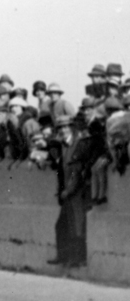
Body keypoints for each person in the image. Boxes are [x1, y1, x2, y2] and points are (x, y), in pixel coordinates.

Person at [48, 115, 93, 268]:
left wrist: (69, 190)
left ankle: (77, 259)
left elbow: (77, 170)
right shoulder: (63, 145)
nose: (63, 130)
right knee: (64, 225)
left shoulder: (78, 144)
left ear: (71, 128)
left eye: (66, 127)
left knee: (77, 226)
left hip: (77, 191)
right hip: (69, 191)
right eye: (60, 127)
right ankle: (66, 257)